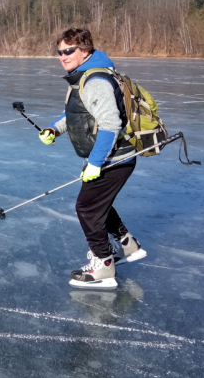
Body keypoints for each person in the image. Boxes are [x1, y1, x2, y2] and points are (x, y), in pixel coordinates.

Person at [39, 28, 146, 288]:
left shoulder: (95, 80)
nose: (63, 56)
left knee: (87, 208)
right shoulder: (86, 76)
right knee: (98, 205)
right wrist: (55, 129)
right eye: (59, 52)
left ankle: (103, 264)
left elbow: (110, 125)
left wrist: (96, 163)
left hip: (114, 158)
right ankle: (127, 245)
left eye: (69, 50)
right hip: (113, 157)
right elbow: (79, 115)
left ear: (85, 51)